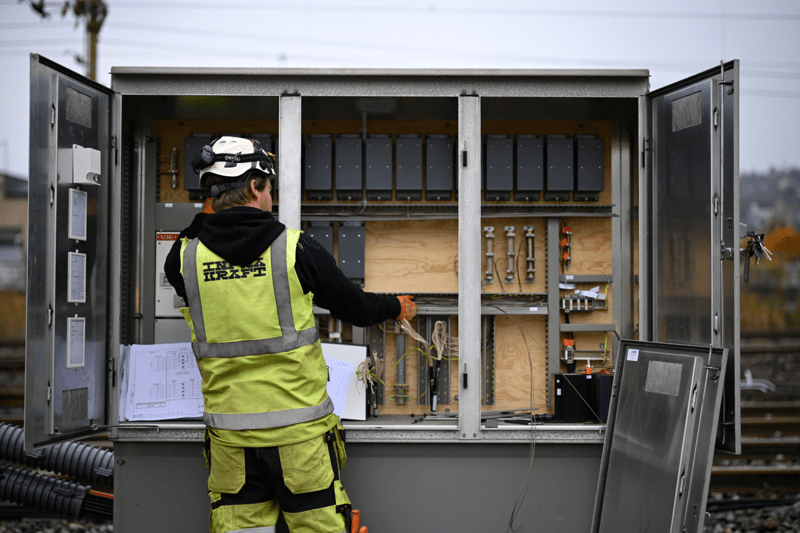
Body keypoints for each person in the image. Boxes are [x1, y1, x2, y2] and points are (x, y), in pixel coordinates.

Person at [164, 136, 417, 533]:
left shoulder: (183, 257)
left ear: (211, 195)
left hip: (232, 443)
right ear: (255, 187)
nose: (271, 198)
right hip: (299, 440)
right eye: (269, 189)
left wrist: (213, 208)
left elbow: (195, 232)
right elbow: (358, 309)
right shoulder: (296, 249)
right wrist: (397, 305)